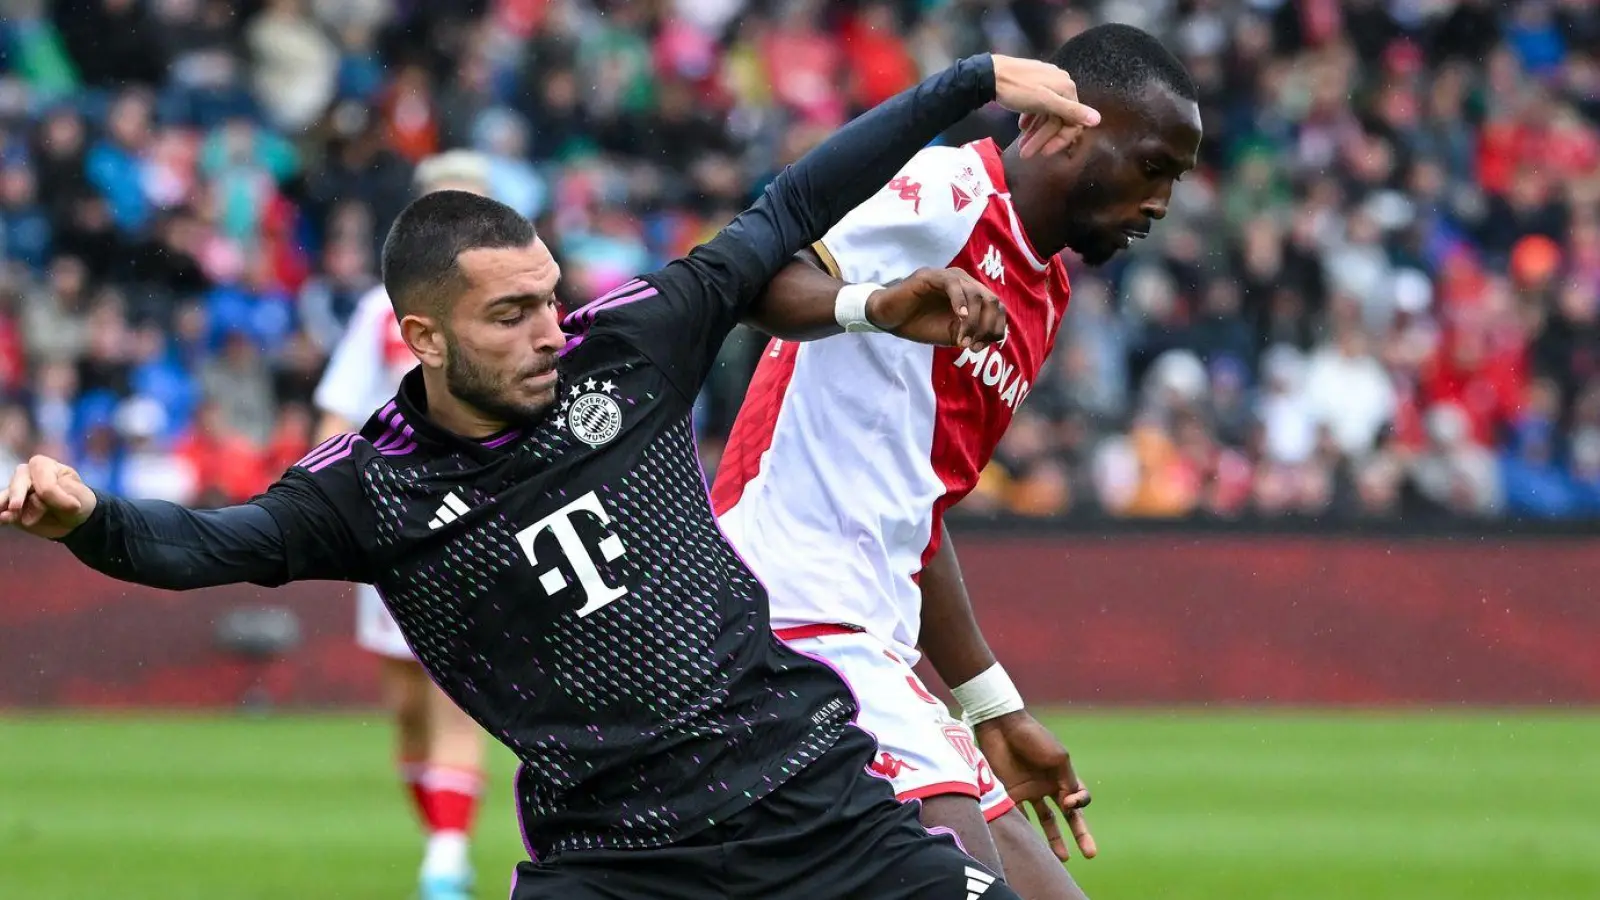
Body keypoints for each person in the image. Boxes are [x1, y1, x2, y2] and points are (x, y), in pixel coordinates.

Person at [4, 55, 1099, 900]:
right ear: (422, 338)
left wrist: (963, 87)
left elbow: (787, 210)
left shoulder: (626, 348)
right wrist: (88, 517)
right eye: (511, 312)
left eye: (549, 294)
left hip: (808, 797)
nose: (549, 329)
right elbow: (203, 547)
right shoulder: (368, 488)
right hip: (616, 857)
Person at [711, 24, 1202, 900]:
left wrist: (992, 708)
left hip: (870, 636)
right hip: (788, 610)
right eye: (1153, 165)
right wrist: (875, 304)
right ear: (1072, 125)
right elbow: (748, 280)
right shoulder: (947, 190)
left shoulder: (1040, 293)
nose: (1160, 202)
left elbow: (918, 512)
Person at [311, 149, 498, 900]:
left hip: (478, 526)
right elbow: (337, 413)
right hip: (394, 528)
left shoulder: (516, 302)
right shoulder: (377, 314)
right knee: (407, 710)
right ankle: (440, 840)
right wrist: (332, 500)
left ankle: (446, 862)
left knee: (457, 694)